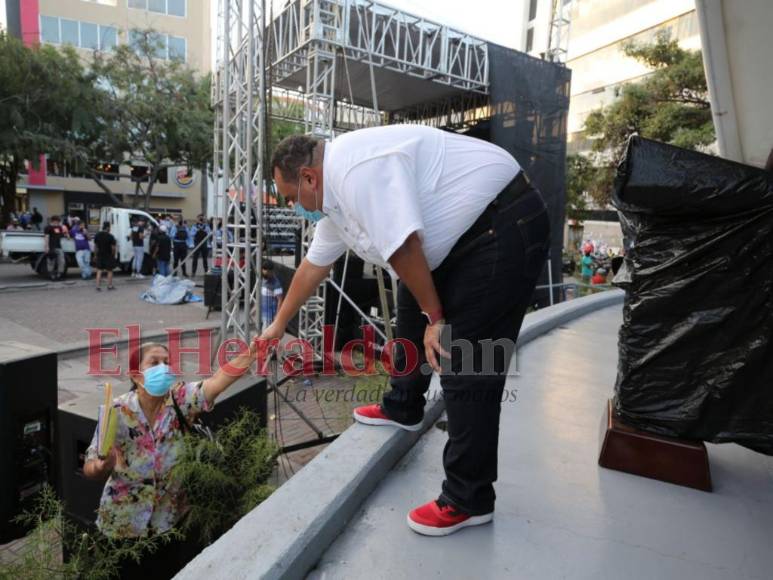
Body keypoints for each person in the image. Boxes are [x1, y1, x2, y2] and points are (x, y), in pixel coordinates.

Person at [266, 126, 550, 536]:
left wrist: (436, 320)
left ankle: (468, 497)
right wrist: (277, 325)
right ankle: (404, 403)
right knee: (409, 304)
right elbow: (313, 266)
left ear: (309, 177)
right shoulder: (334, 204)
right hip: (465, 238)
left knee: (465, 361)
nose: (296, 209)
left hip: (501, 224)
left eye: (292, 199)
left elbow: (403, 249)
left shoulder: (353, 171)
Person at [83, 340, 261, 578]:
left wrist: (257, 348)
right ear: (136, 375)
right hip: (121, 527)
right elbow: (90, 466)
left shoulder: (180, 401)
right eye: (154, 363)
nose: (163, 368)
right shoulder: (117, 411)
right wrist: (101, 466)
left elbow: (218, 381)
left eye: (167, 363)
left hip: (168, 526)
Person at [260, 260, 284, 332]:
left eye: (268, 272)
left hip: (270, 315)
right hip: (263, 314)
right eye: (264, 270)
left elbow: (280, 299)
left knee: (266, 336)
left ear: (272, 271)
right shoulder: (263, 279)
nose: (265, 273)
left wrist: (277, 315)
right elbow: (262, 297)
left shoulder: (276, 283)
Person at [43, 215, 69, 280]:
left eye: (58, 222)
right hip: (51, 247)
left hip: (59, 246)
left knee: (61, 261)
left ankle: (59, 275)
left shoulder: (59, 227)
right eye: (58, 221)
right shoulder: (48, 227)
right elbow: (46, 237)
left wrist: (67, 234)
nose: (58, 223)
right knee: (51, 262)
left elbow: (63, 234)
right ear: (54, 221)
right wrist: (46, 247)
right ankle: (51, 276)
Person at [94, 221, 117, 291]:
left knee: (99, 270)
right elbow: (113, 248)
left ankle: (98, 286)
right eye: (109, 227)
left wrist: (95, 255)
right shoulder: (110, 236)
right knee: (110, 271)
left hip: (100, 255)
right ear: (107, 227)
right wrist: (113, 255)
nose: (110, 229)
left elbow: (95, 247)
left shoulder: (97, 235)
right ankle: (109, 286)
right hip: (108, 255)